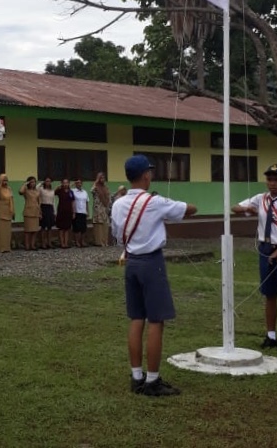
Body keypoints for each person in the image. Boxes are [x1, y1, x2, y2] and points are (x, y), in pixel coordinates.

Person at [112, 154, 197, 397]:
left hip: (131, 261)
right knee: (156, 321)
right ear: (146, 175)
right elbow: (189, 210)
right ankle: (152, 380)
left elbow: (118, 235)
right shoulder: (154, 202)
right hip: (151, 262)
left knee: (136, 319)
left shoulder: (118, 204)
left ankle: (136, 375)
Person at [232, 163, 277, 353]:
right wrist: (248, 209)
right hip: (265, 249)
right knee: (269, 294)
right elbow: (235, 207)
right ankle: (270, 335)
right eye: (269, 179)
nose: (272, 183)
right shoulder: (261, 199)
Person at [0, 173, 15, 252]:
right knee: (0, 231)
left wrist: (13, 211)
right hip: (0, 212)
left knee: (7, 232)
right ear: (0, 180)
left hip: (8, 211)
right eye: (3, 180)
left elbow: (11, 200)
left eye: (6, 180)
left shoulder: (9, 189)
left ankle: (7, 247)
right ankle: (0, 248)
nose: (5, 182)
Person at [19, 176, 41, 250]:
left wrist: (40, 212)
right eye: (31, 182)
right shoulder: (26, 190)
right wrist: (25, 184)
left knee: (34, 230)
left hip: (36, 212)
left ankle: (32, 245)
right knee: (28, 230)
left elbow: (39, 202)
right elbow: (20, 191)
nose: (33, 183)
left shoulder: (37, 191)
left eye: (34, 182)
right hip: (28, 212)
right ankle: (27, 245)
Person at [91, 172, 110, 246]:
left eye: (103, 178)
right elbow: (91, 191)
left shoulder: (105, 187)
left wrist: (108, 205)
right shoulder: (96, 187)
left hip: (104, 207)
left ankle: (105, 241)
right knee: (99, 224)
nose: (102, 179)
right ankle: (99, 242)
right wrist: (96, 182)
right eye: (100, 178)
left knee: (105, 224)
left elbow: (108, 196)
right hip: (98, 208)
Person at [54, 178, 74, 249]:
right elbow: (54, 192)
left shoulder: (71, 192)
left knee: (67, 228)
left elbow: (72, 202)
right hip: (61, 211)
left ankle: (66, 243)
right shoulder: (60, 191)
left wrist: (73, 212)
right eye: (64, 183)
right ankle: (62, 243)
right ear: (62, 183)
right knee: (61, 228)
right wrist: (59, 186)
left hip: (68, 212)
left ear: (69, 183)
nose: (65, 184)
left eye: (67, 183)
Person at [38, 177, 55, 249]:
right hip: (43, 207)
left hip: (50, 207)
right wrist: (41, 183)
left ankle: (49, 242)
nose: (48, 182)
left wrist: (54, 212)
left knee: (50, 227)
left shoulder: (52, 190)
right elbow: (36, 188)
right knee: (43, 227)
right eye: (47, 181)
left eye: (49, 181)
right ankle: (43, 243)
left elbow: (53, 201)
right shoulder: (41, 189)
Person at [71, 178, 89, 247]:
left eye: (80, 183)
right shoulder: (73, 191)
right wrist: (72, 183)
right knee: (77, 228)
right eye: (77, 183)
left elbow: (87, 202)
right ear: (75, 184)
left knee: (83, 228)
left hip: (83, 212)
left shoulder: (85, 192)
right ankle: (77, 242)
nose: (79, 184)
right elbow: (66, 187)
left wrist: (87, 211)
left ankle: (82, 241)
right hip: (76, 212)